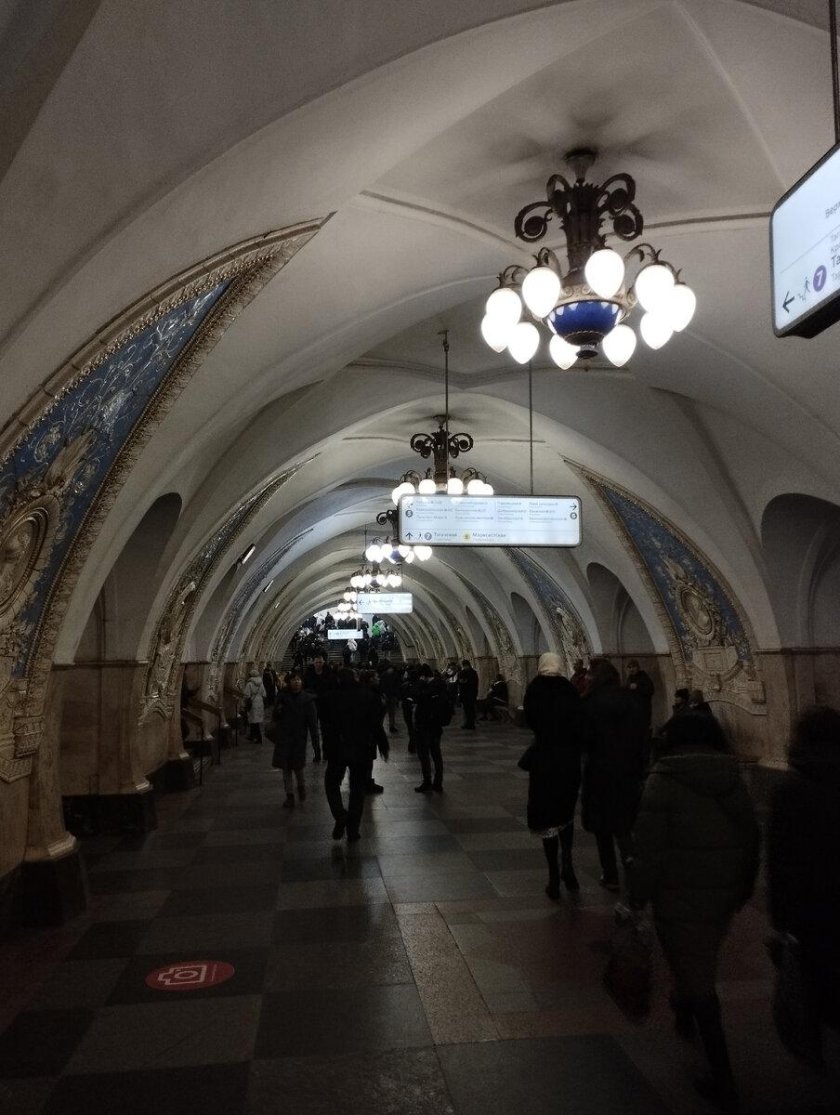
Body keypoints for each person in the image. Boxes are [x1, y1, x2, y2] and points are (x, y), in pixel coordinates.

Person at [629, 713, 760, 1113]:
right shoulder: (732, 776)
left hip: (678, 892)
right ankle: (685, 1007)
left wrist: (636, 897)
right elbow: (751, 836)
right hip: (722, 893)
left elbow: (648, 847)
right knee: (699, 956)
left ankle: (723, 1078)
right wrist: (744, 886)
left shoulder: (663, 780)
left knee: (698, 977)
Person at [767, 706, 840, 1038]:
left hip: (810, 910)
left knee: (818, 984)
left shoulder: (789, 790)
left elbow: (780, 860)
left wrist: (781, 921)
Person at [519, 653, 584, 899]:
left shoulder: (535, 688)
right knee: (565, 814)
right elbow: (579, 723)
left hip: (544, 762)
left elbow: (530, 720)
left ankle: (553, 875)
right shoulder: (568, 689)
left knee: (546, 817)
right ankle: (567, 862)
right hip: (568, 762)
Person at [581, 658, 646, 890]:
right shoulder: (630, 700)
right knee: (624, 824)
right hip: (627, 771)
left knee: (602, 828)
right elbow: (641, 736)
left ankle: (610, 875)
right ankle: (633, 869)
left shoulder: (590, 702)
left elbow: (584, 739)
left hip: (599, 772)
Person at [323, 667, 389, 841]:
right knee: (357, 790)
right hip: (361, 748)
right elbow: (375, 723)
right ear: (355, 678)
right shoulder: (367, 696)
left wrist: (326, 748)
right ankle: (353, 830)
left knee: (331, 784)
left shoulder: (330, 697)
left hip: (337, 748)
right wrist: (383, 744)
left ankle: (340, 815)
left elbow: (326, 725)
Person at [270, 673, 319, 808]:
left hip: (299, 739)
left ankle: (301, 786)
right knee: (286, 768)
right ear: (289, 682)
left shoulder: (308, 700)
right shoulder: (283, 698)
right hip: (284, 737)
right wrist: (278, 710)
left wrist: (316, 743)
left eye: (298, 679)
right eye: (293, 680)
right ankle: (289, 795)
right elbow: (275, 716)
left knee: (298, 767)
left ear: (302, 682)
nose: (296, 682)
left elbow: (313, 723)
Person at [412, 664, 447, 792]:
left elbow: (417, 696)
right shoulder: (441, 685)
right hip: (436, 726)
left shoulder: (428, 687)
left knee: (424, 754)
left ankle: (427, 782)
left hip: (425, 725)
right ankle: (438, 782)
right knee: (436, 754)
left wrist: (420, 683)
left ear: (422, 676)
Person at [624, 658, 655, 733]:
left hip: (643, 709)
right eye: (629, 667)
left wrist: (637, 687)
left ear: (638, 667)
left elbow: (650, 690)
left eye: (633, 667)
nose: (631, 669)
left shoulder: (643, 676)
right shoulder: (629, 678)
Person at [243, 667, 266, 743]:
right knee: (256, 720)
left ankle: (258, 737)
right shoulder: (261, 683)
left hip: (253, 702)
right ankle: (252, 735)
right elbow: (264, 693)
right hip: (260, 702)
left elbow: (247, 695)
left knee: (253, 720)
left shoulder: (249, 683)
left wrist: (245, 702)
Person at [457, 659, 479, 729]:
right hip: (471, 694)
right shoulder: (473, 672)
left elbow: (461, 682)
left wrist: (464, 682)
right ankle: (469, 723)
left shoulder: (464, 673)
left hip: (467, 694)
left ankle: (469, 724)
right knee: (469, 710)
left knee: (468, 710)